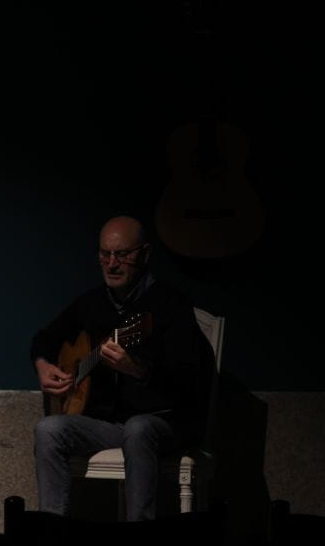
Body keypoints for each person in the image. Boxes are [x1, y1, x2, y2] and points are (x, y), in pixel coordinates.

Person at [31, 215, 215, 521]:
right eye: (105, 254)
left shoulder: (170, 305)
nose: (112, 264)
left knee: (138, 427)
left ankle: (137, 545)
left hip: (165, 424)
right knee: (49, 429)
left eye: (123, 254)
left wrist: (139, 370)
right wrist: (43, 365)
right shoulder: (91, 303)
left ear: (144, 254)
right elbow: (45, 338)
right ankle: (54, 536)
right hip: (111, 425)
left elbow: (190, 380)